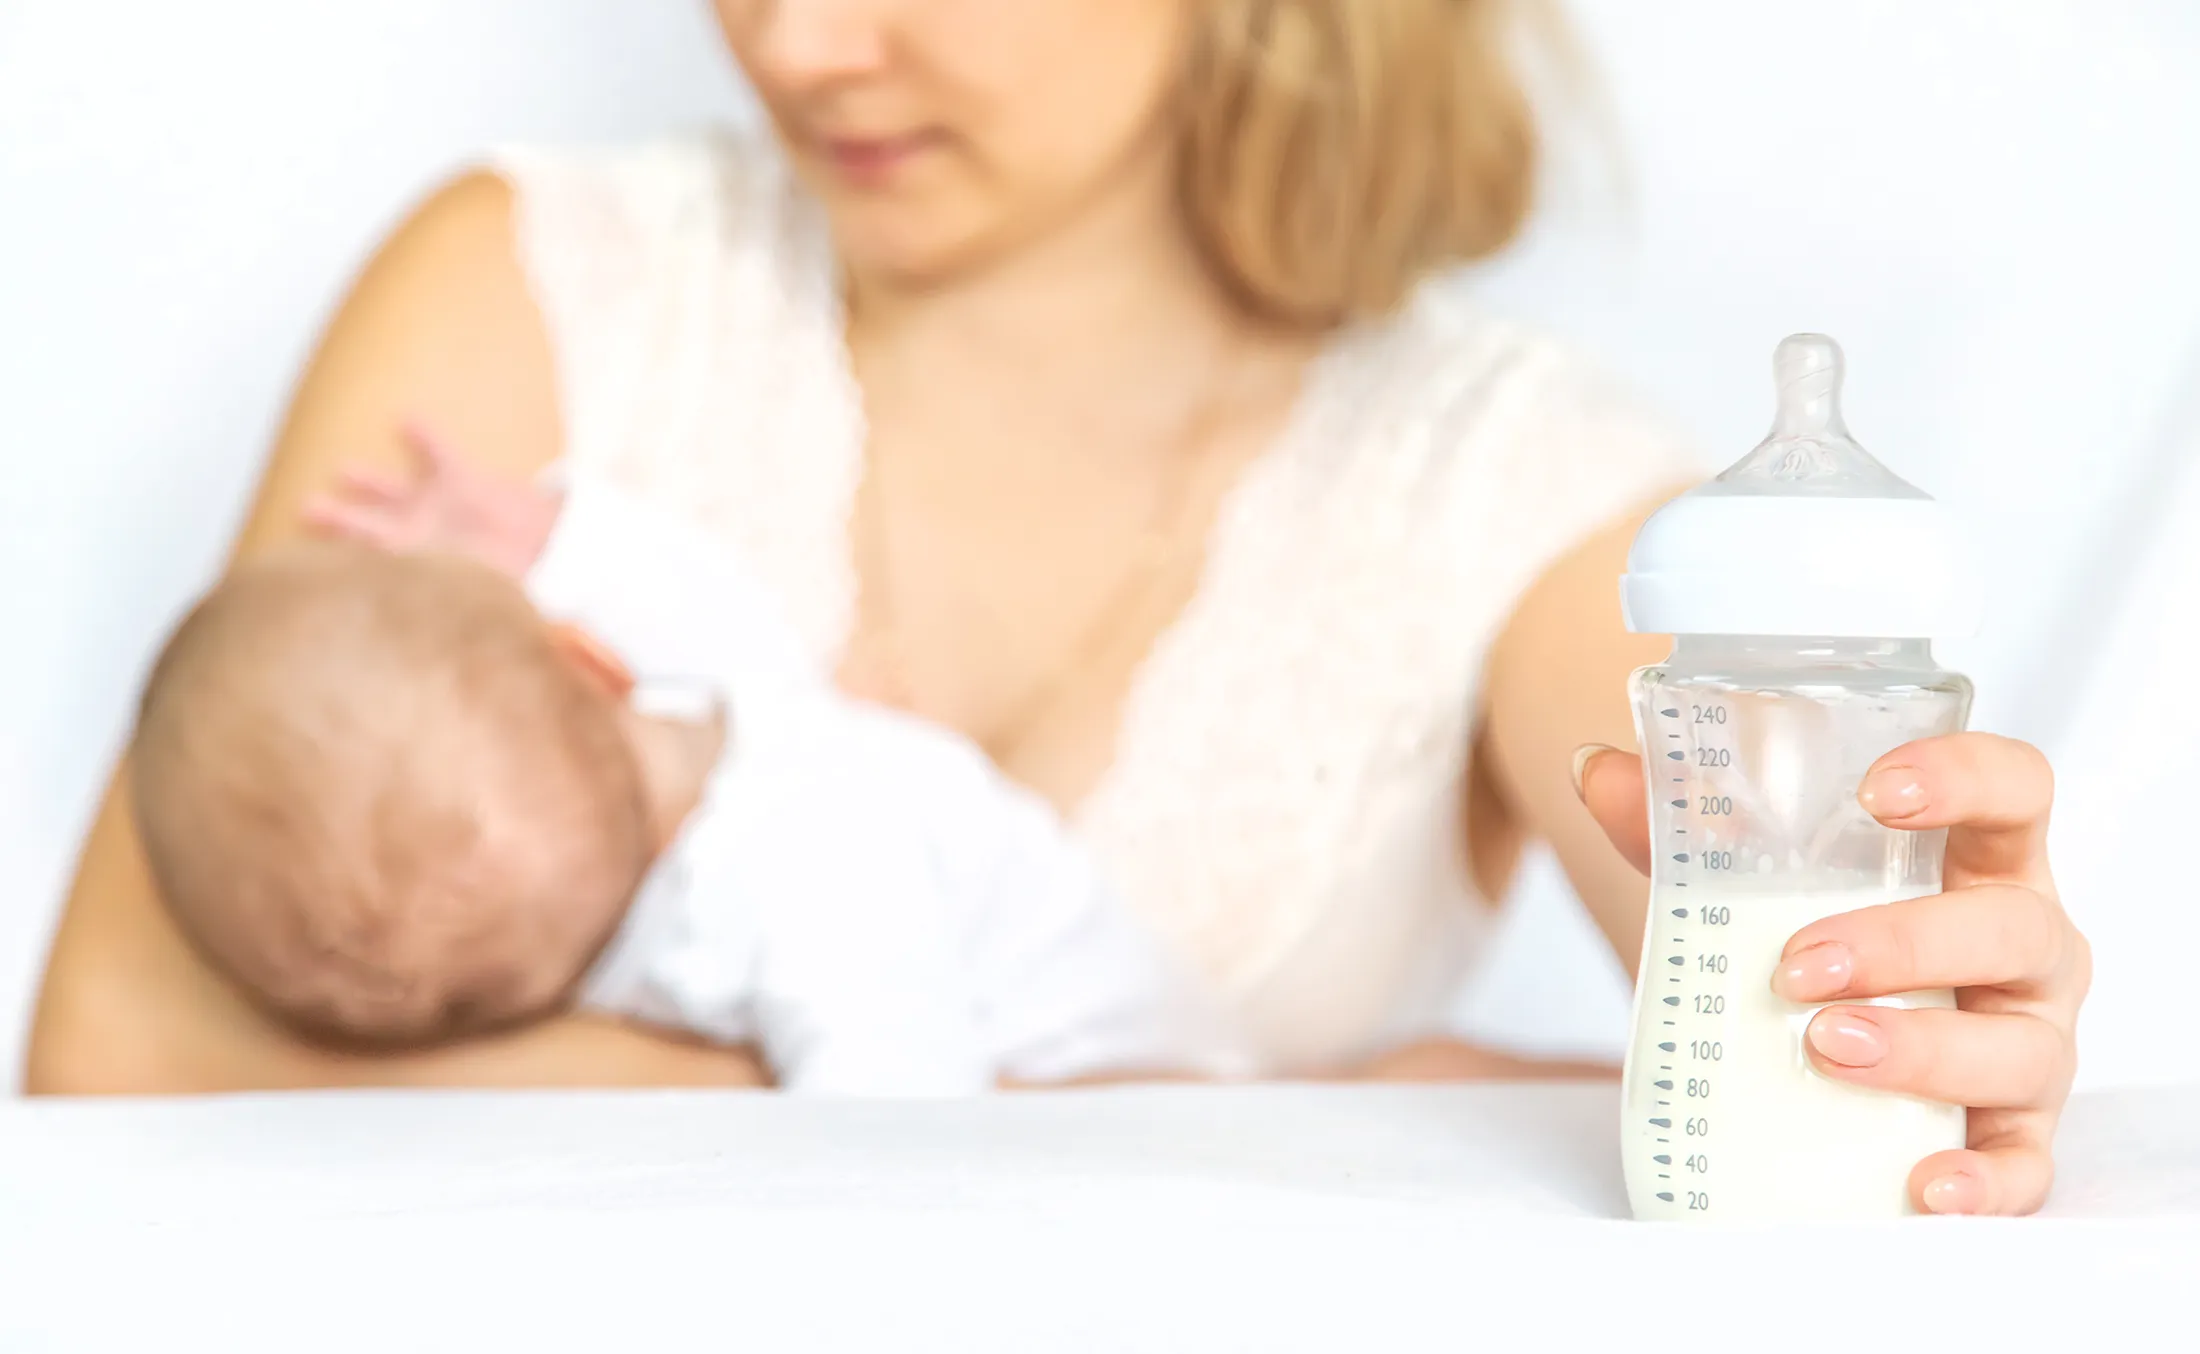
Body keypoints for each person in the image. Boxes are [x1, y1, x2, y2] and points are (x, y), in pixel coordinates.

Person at [27, 0, 2087, 1215]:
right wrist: (1222, 1131)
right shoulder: (532, 285)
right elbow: (112, 1065)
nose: (792, 40)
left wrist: (1920, 1024)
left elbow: (1804, 1019)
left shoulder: (1515, 494)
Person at [128, 468, 1225, 1091]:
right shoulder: (726, 775)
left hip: (1143, 1064)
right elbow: (894, 1101)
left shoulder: (787, 853)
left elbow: (899, 1127)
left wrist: (561, 539)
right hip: (1037, 1053)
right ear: (590, 657)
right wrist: (533, 553)